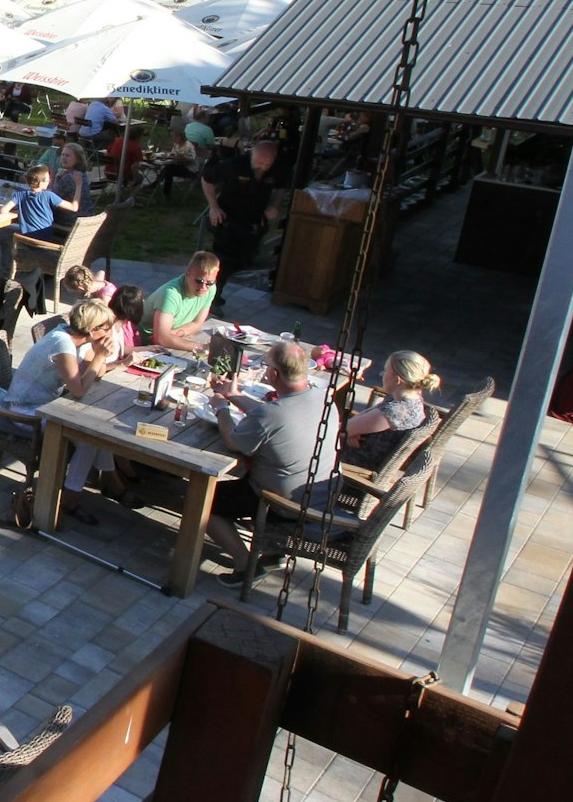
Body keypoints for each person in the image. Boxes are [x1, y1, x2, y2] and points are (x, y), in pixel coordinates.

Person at [204, 341, 340, 587]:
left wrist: (221, 408)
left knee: (202, 500)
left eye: (266, 365)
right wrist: (235, 396)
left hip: (282, 503)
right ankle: (272, 551)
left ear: (274, 374)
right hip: (320, 495)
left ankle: (246, 565)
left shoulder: (271, 414)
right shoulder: (321, 397)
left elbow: (233, 441)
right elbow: (272, 415)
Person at [7, 300, 122, 524]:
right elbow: (79, 390)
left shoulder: (70, 336)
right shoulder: (63, 344)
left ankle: (108, 481)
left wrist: (99, 355)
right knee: (88, 438)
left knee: (97, 431)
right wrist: (99, 356)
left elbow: (92, 376)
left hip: (47, 404)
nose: (110, 333)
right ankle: (71, 498)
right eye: (106, 328)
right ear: (93, 330)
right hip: (26, 409)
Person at [201, 140, 283, 312]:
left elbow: (280, 187)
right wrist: (213, 207)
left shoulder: (277, 169)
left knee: (244, 260)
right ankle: (211, 300)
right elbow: (207, 178)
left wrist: (274, 205)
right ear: (252, 155)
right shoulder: (235, 165)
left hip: (253, 221)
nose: (262, 167)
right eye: (259, 163)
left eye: (266, 164)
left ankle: (214, 294)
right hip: (228, 218)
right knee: (223, 260)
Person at [341, 351, 442, 470]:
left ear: (397, 379)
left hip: (354, 466)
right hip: (362, 454)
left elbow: (336, 430)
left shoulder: (394, 412)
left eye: (385, 371)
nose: (382, 374)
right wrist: (349, 432)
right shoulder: (413, 400)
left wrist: (347, 432)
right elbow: (349, 426)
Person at [144, 251, 220, 351]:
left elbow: (197, 323)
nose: (203, 287)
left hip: (168, 342)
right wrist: (202, 348)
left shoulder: (211, 289)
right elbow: (161, 339)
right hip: (142, 344)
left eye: (209, 283)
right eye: (199, 281)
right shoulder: (171, 294)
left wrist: (175, 333)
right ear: (187, 273)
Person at [1, 164, 71, 244]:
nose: (50, 181)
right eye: (48, 180)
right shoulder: (49, 195)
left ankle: (10, 255)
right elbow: (74, 207)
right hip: (44, 241)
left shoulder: (20, 195)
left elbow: (3, 211)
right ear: (40, 183)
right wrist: (79, 186)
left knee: (4, 235)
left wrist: (20, 212)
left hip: (26, 239)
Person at [51, 143, 92, 226]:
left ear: (78, 159)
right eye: (62, 154)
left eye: (68, 155)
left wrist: (56, 180)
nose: (63, 158)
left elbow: (51, 199)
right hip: (86, 218)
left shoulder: (69, 178)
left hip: (70, 220)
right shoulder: (81, 174)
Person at [157, 128, 200, 200]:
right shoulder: (176, 145)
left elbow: (190, 159)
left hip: (190, 170)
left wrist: (178, 159)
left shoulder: (188, 146)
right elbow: (173, 154)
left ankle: (158, 182)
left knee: (169, 169)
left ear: (179, 137)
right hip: (179, 167)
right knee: (169, 170)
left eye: (174, 137)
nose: (172, 139)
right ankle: (165, 193)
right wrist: (171, 156)